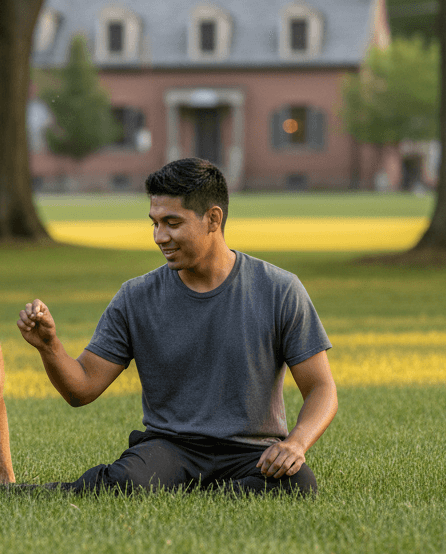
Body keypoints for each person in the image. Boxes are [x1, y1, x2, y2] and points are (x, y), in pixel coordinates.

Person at [17, 158, 338, 494]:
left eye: (172, 223)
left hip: (250, 451)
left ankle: (200, 492)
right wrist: (49, 347)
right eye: (155, 223)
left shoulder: (279, 289)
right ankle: (44, 491)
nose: (160, 236)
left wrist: (296, 443)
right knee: (127, 482)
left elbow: (321, 388)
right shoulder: (136, 297)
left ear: (213, 219)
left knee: (298, 484)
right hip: (170, 449)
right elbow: (81, 389)